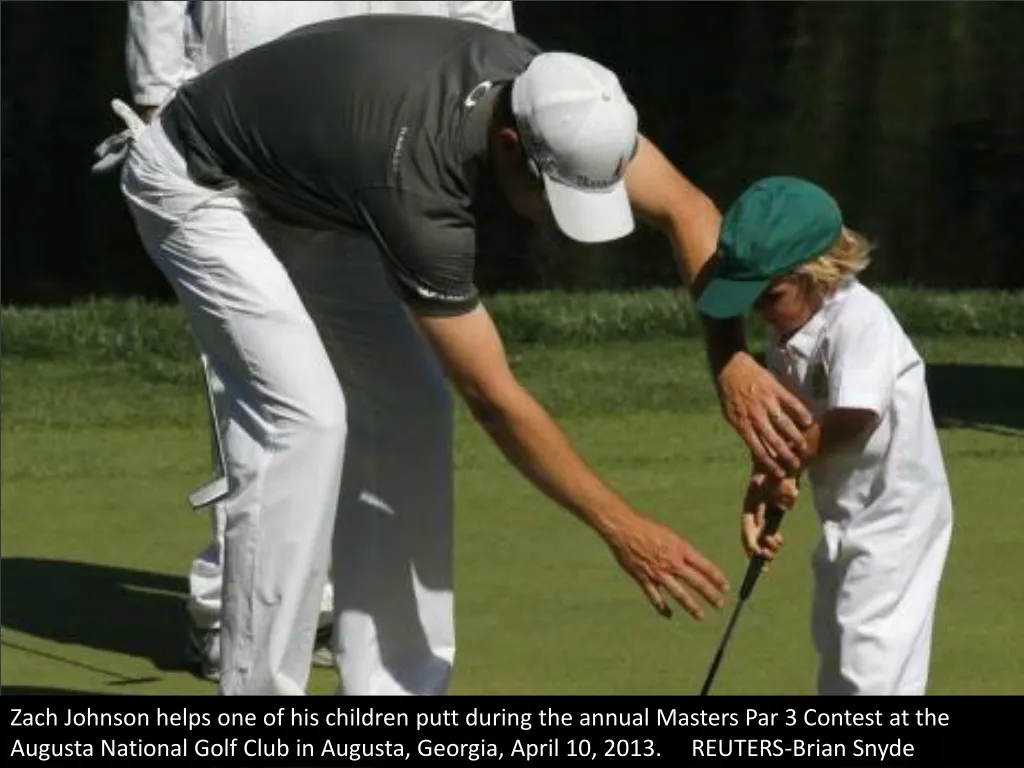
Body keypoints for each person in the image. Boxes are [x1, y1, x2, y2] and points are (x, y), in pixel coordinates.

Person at [102, 15, 810, 695]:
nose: (559, 216)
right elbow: (496, 399)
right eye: (552, 191)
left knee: (411, 408)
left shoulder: (564, 97)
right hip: (201, 181)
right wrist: (623, 529)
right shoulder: (420, 187)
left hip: (320, 185)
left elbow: (686, 208)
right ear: (508, 145)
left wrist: (732, 363)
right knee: (305, 421)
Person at [120, 0, 517, 683]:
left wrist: (487, 98)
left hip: (389, 132)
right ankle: (234, 632)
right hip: (235, 133)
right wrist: (158, 88)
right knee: (292, 414)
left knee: (409, 403)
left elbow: (484, 26)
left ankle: (396, 687)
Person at [697, 176, 953, 695]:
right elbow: (791, 431)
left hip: (897, 521)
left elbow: (854, 417)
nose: (760, 313)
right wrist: (764, 484)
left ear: (820, 273)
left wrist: (789, 463)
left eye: (769, 297)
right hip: (844, 517)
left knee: (870, 668)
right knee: (836, 648)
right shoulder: (785, 335)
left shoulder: (860, 319)